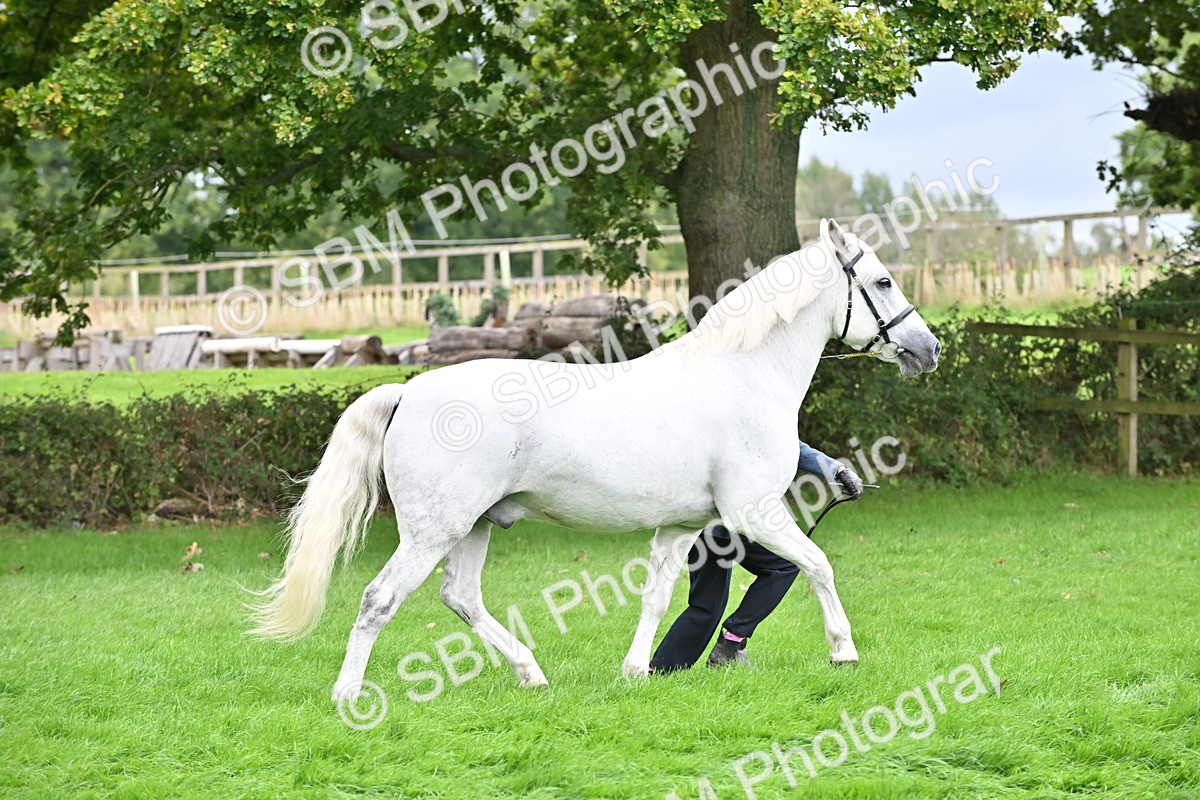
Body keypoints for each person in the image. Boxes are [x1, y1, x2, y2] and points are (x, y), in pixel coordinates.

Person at [650, 442, 863, 672]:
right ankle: (732, 641)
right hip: (733, 523)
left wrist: (837, 470)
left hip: (697, 526)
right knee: (785, 564)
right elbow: (793, 446)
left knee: (706, 605)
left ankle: (660, 669)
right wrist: (838, 470)